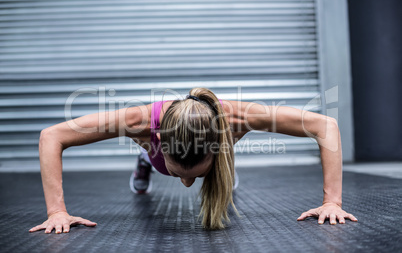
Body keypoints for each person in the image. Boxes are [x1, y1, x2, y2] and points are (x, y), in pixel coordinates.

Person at [29, 87, 357, 234]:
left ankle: (210, 166)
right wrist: (57, 211)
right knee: (154, 163)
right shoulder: (139, 123)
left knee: (209, 171)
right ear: (157, 138)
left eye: (195, 176)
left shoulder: (239, 120)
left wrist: (333, 201)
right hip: (156, 154)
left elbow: (324, 125)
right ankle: (146, 162)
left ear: (222, 144)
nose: (186, 184)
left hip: (210, 152)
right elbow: (52, 136)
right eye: (182, 174)